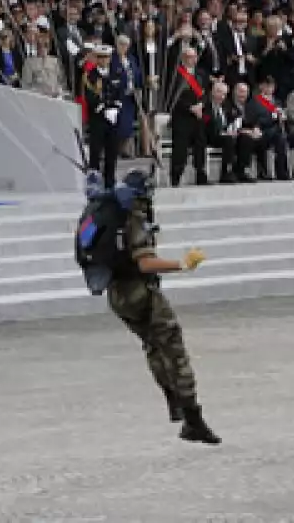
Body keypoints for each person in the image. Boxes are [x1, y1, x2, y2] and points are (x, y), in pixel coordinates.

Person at [99, 169, 218, 445]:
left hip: (117, 294)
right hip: (139, 291)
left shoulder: (110, 213)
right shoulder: (134, 217)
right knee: (173, 348)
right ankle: (192, 417)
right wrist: (182, 264)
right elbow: (144, 262)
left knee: (153, 345)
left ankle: (174, 403)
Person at [82, 44, 123, 185]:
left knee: (112, 151)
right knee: (96, 151)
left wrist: (116, 107)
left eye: (107, 58)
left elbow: (119, 92)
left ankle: (110, 181)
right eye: (101, 58)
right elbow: (90, 96)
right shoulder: (90, 75)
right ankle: (94, 181)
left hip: (113, 117)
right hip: (98, 118)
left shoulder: (115, 73)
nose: (104, 60)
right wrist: (104, 109)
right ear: (97, 59)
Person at [168, 46, 208, 187]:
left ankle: (200, 173)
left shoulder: (201, 74)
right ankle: (176, 176)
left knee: (200, 143)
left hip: (197, 115)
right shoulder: (175, 74)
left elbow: (205, 94)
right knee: (180, 147)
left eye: (194, 57)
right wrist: (190, 107)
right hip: (182, 116)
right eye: (189, 57)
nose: (192, 60)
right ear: (183, 58)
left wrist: (200, 106)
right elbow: (173, 97)